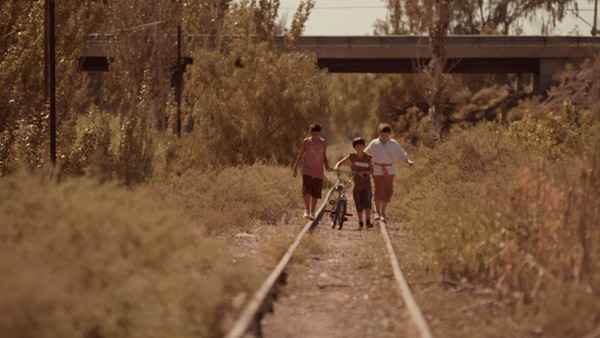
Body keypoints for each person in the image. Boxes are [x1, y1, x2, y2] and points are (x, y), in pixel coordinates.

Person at [365, 123, 414, 222]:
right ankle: (377, 212)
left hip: (390, 170)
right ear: (379, 134)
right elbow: (366, 154)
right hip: (377, 169)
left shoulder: (393, 143)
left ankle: (383, 211)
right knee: (379, 190)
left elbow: (401, 153)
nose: (384, 137)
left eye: (387, 135)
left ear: (389, 134)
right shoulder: (374, 143)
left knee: (388, 191)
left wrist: (408, 160)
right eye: (382, 135)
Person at [292, 123, 332, 219]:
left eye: (317, 134)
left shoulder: (323, 142)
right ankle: (307, 210)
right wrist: (295, 167)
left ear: (319, 133)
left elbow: (324, 155)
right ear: (310, 133)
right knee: (306, 191)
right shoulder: (306, 142)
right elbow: (300, 155)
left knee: (315, 192)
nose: (315, 136)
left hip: (318, 171)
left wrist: (326, 165)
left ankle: (313, 211)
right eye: (313, 134)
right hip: (307, 170)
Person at [334, 137, 374, 230]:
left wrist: (365, 173)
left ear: (364, 146)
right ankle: (360, 223)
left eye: (361, 145)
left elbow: (372, 170)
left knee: (367, 203)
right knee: (358, 204)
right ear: (354, 147)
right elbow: (340, 163)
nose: (359, 147)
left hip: (367, 185)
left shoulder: (368, 158)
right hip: (357, 185)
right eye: (357, 146)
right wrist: (336, 167)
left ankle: (368, 221)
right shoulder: (352, 157)